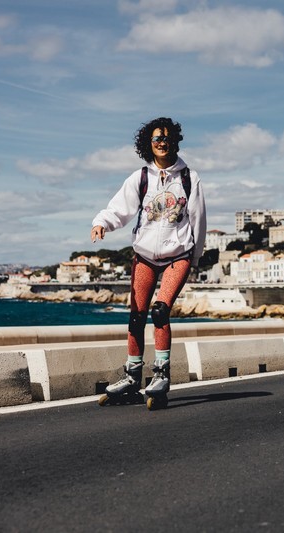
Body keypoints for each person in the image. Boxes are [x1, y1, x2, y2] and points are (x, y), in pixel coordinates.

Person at [92, 117, 206, 405]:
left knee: (159, 312)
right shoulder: (140, 177)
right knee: (136, 316)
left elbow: (198, 221)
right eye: (157, 139)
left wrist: (193, 259)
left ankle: (161, 374)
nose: (162, 142)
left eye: (167, 138)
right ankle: (132, 376)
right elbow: (119, 209)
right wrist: (102, 222)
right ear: (149, 144)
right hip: (143, 256)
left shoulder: (189, 178)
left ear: (175, 141)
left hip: (177, 256)